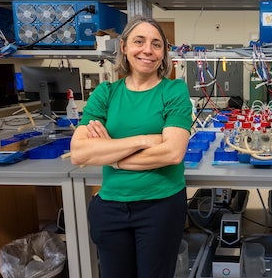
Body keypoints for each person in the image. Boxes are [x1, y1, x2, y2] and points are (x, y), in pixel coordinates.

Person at [70, 16, 192, 278]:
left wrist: (110, 153)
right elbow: (79, 152)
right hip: (110, 207)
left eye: (156, 44)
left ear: (163, 53)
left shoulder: (174, 91)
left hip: (160, 207)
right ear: (124, 47)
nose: (147, 50)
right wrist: (145, 139)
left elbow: (172, 152)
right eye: (139, 41)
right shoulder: (106, 93)